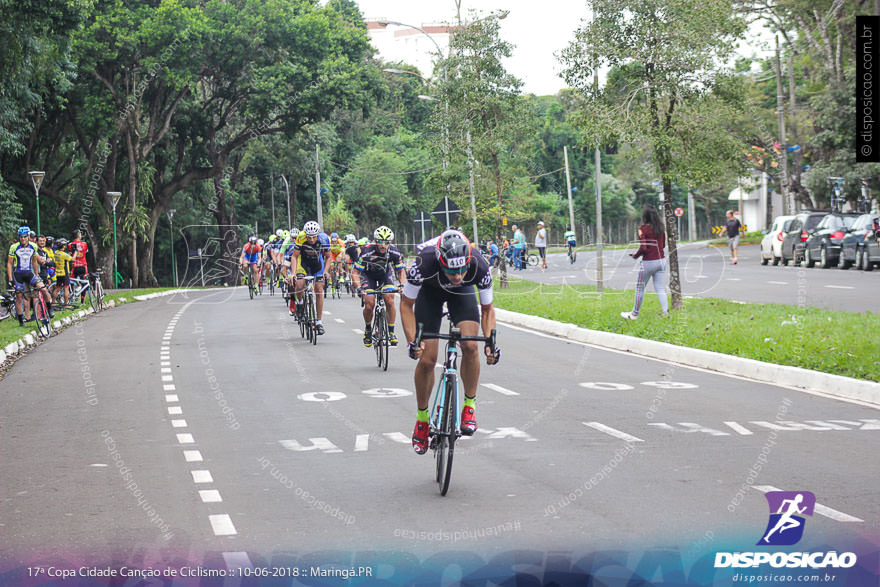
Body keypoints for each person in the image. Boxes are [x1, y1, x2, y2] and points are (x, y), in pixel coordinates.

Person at [400, 229, 501, 455]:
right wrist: (412, 342)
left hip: (462, 295)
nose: (456, 276)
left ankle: (469, 406)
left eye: (460, 270)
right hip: (430, 293)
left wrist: (490, 343)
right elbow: (406, 305)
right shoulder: (422, 263)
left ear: (467, 262)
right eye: (451, 270)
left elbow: (487, 310)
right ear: (440, 261)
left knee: (470, 345)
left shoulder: (478, 265)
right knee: (427, 359)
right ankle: (422, 420)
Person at [352, 226, 406, 347]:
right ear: (375, 241)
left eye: (386, 242)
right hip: (368, 276)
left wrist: (402, 285)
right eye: (380, 242)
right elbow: (355, 273)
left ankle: (391, 332)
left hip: (384, 276)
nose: (383, 245)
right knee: (369, 303)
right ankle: (368, 329)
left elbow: (401, 271)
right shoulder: (367, 251)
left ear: (390, 243)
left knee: (389, 298)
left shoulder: (394, 251)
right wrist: (359, 288)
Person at [621, 206, 668, 320]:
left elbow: (644, 248)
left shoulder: (642, 229)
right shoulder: (661, 228)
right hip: (661, 261)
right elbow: (663, 245)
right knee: (660, 288)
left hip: (648, 262)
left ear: (645, 217)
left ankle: (634, 314)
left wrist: (635, 256)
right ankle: (665, 313)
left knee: (639, 288)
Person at [7, 226, 54, 325]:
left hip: (29, 273)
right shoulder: (14, 247)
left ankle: (50, 309)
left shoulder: (33, 246)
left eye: (24, 237)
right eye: (21, 237)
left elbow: (34, 262)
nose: (23, 239)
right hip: (18, 274)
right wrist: (10, 278)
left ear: (28, 236)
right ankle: (21, 321)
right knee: (19, 297)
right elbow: (9, 263)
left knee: (43, 289)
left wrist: (36, 275)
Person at [292, 220, 331, 335]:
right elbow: (294, 256)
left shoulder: (324, 239)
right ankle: (299, 302)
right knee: (299, 284)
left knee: (319, 289)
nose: (312, 240)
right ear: (305, 235)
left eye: (314, 237)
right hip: (303, 263)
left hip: (317, 264)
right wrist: (293, 273)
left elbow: (328, 257)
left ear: (318, 235)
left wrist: (325, 272)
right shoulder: (300, 237)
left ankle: (319, 322)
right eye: (309, 237)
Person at [52, 238, 74, 307]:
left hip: (58, 273)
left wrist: (68, 254)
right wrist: (75, 252)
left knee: (57, 288)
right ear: (63, 246)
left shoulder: (55, 253)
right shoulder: (64, 254)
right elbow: (73, 259)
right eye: (65, 245)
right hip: (65, 273)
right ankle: (66, 304)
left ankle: (52, 303)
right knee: (66, 288)